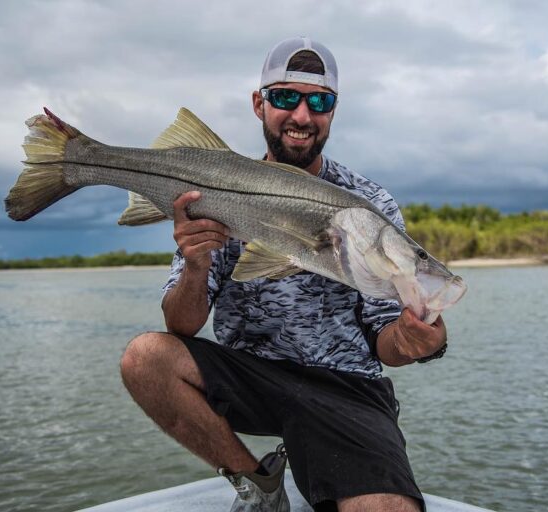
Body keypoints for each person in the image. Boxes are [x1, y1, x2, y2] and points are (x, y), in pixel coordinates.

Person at [120, 37, 448, 512]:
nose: (301, 115)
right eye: (284, 97)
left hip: (346, 386)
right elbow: (182, 327)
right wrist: (195, 263)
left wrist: (421, 341)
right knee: (145, 357)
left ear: (333, 112)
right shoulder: (213, 187)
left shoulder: (369, 206)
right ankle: (259, 484)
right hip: (252, 377)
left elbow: (386, 342)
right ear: (259, 104)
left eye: (319, 101)